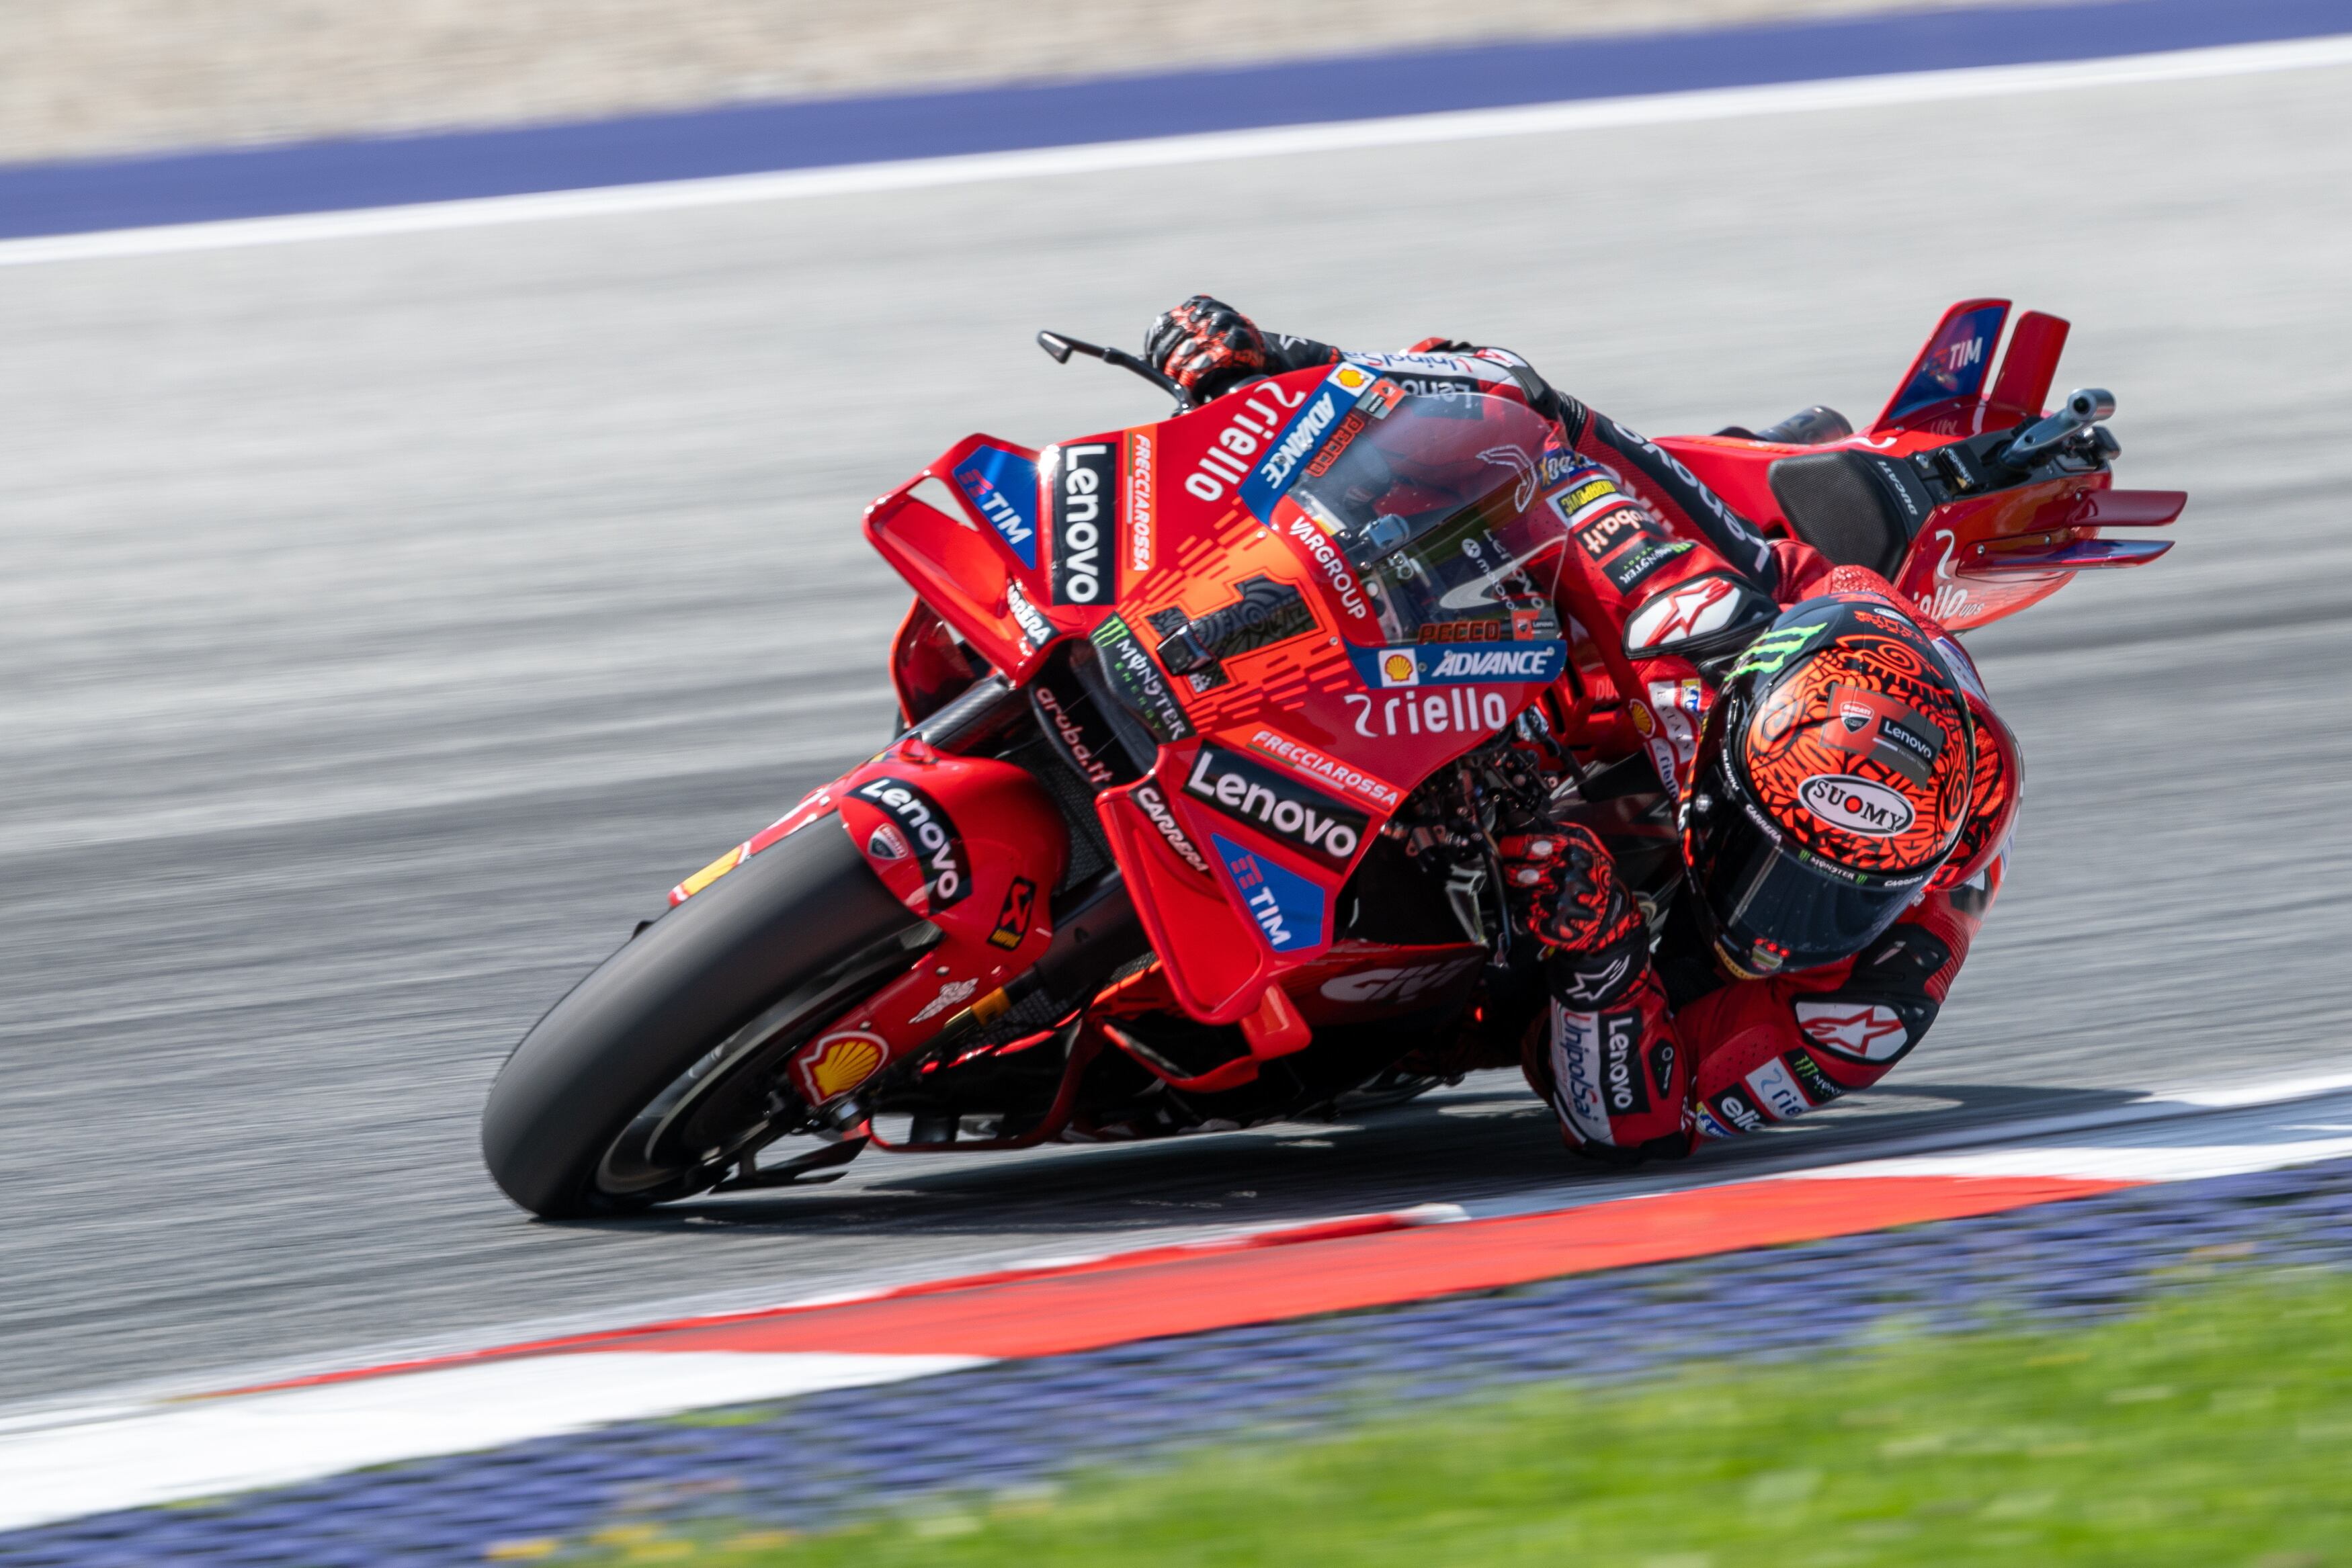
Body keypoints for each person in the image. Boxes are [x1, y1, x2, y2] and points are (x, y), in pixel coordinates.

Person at [1141, 298, 2021, 1162]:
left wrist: (1601, 959)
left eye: (1845, 898)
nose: (1784, 924)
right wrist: (1274, 374)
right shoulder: (1698, 620)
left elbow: (1641, 1126)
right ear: (1726, 756)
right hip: (1666, 645)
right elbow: (1526, 413)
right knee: (1480, 448)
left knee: (1458, 1011)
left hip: (1582, 942)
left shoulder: (1874, 997)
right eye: (1773, 867)